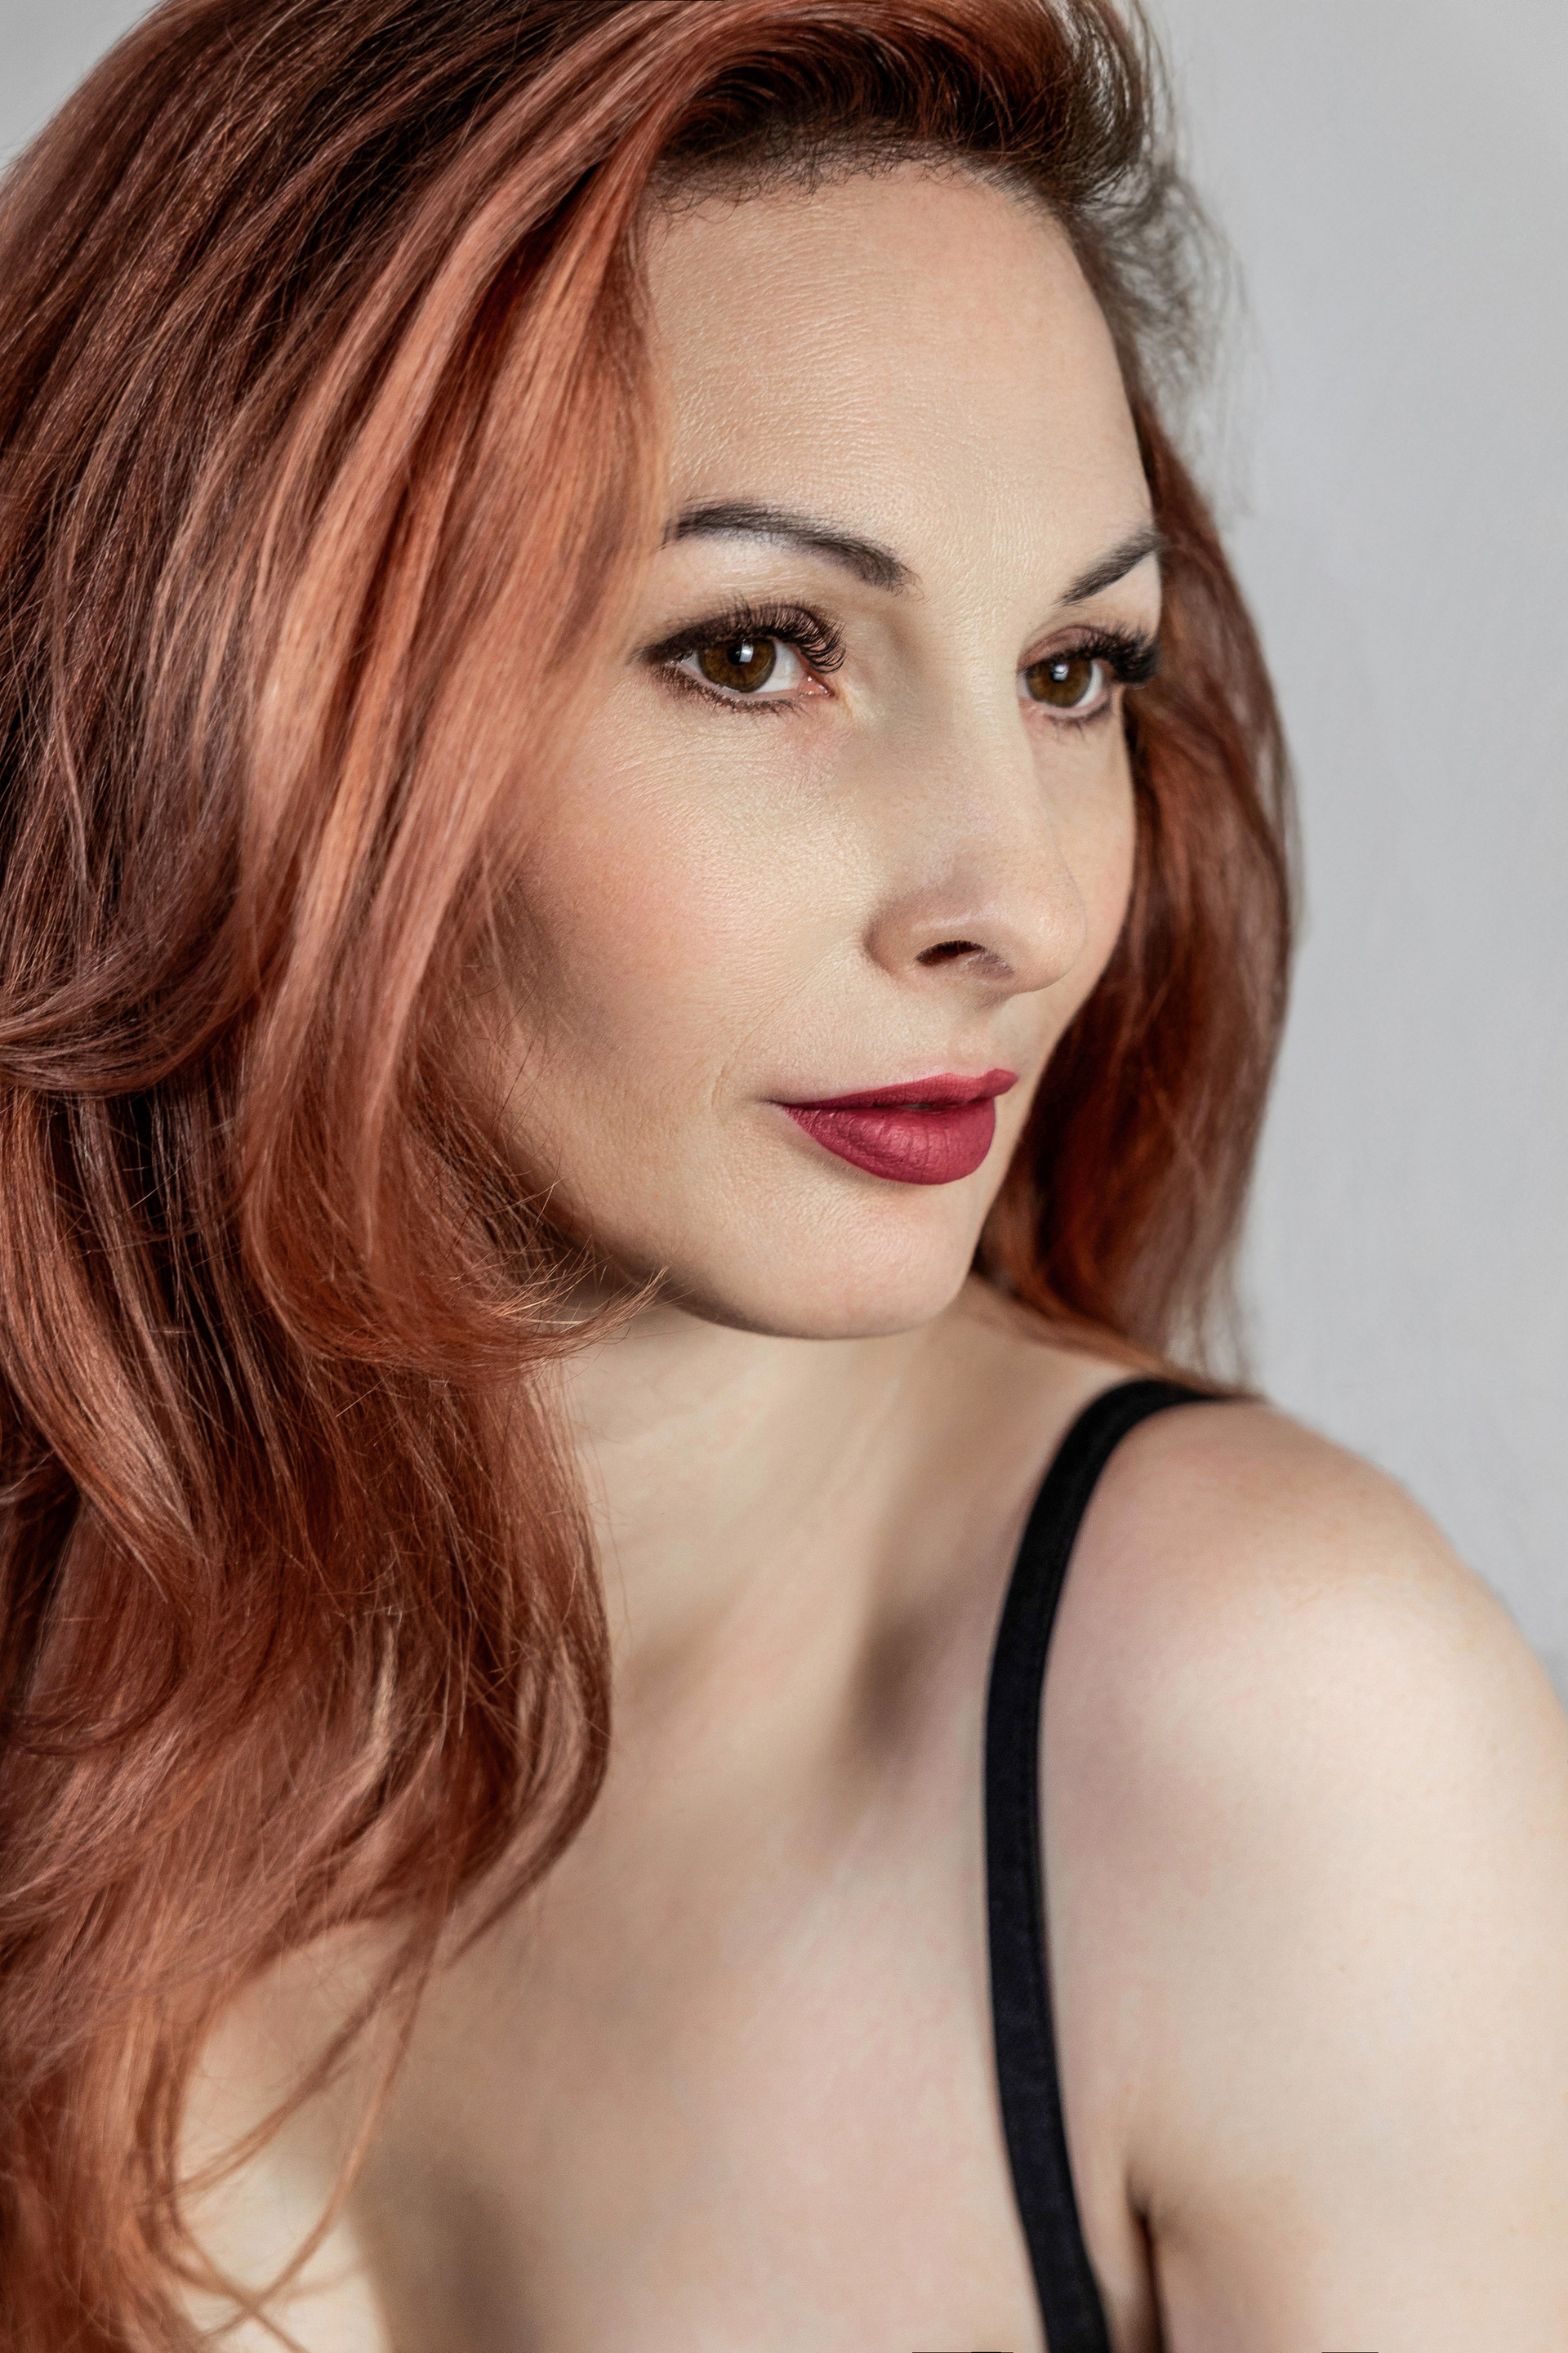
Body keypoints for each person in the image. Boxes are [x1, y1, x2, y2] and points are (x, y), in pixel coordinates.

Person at [1, 0, 1565, 2346]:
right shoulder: (59, 1624)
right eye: (759, 653)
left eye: (1073, 670)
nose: (1016, 900)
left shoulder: (1273, 1740)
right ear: (231, 685)